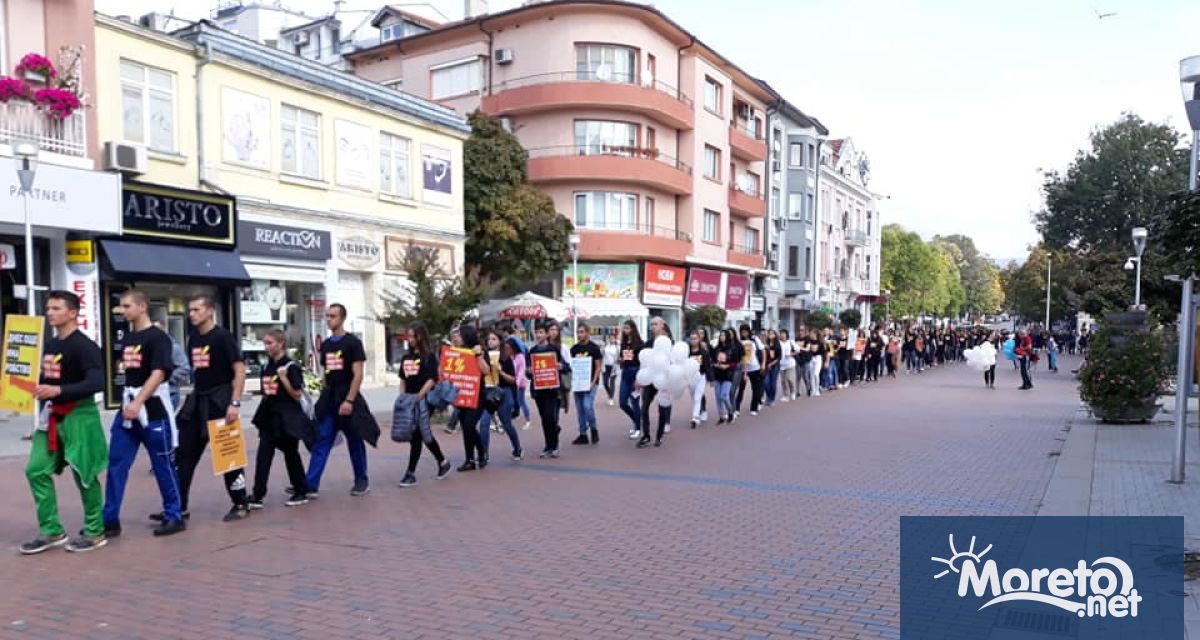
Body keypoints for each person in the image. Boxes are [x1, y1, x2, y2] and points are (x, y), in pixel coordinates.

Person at [21, 291, 109, 554]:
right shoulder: (51, 345)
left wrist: (58, 391)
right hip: (52, 415)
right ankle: (51, 531)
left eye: (56, 308)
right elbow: (48, 379)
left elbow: (97, 382)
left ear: (72, 313)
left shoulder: (84, 346)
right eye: (48, 308)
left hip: (80, 415)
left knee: (84, 473)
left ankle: (95, 531)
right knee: (35, 470)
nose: (50, 312)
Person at [102, 289, 186, 538]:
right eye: (121, 306)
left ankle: (174, 515)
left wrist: (138, 402)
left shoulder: (158, 338)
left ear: (142, 307)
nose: (123, 311)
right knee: (116, 464)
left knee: (163, 466)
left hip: (153, 410)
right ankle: (110, 519)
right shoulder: (129, 338)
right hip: (128, 410)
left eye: (127, 306)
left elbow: (159, 373)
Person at [170, 295, 251, 523]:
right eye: (190, 310)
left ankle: (240, 503)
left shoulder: (223, 337)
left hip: (220, 400)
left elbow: (240, 370)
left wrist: (235, 403)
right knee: (184, 453)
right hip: (197, 401)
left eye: (196, 310)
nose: (191, 314)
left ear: (210, 311)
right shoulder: (193, 338)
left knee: (228, 455)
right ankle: (179, 506)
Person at [305, 304, 379, 497]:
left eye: (333, 316)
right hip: (330, 400)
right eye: (327, 316)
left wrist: (349, 401)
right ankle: (310, 484)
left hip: (347, 399)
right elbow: (326, 373)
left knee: (355, 440)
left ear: (342, 318)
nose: (328, 319)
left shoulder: (353, 343)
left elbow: (358, 374)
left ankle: (361, 480)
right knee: (322, 439)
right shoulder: (326, 345)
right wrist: (322, 393)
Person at [248, 329, 314, 509]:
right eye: (265, 343)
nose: (266, 347)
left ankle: (300, 490)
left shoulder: (291, 367)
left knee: (291, 454)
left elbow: (296, 394)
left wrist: (284, 378)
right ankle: (258, 494)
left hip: (287, 419)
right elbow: (265, 392)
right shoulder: (267, 366)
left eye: (270, 343)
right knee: (263, 456)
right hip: (269, 418)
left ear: (281, 344)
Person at [397, 322, 453, 487]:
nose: (410, 339)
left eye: (413, 335)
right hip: (409, 399)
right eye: (408, 336)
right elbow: (403, 378)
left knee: (417, 435)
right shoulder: (406, 357)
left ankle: (410, 473)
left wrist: (419, 396)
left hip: (424, 400)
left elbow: (432, 379)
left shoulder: (429, 357)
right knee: (423, 434)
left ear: (420, 336)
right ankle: (442, 461)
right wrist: (402, 397)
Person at [478, 330, 523, 460]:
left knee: (506, 423)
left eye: (493, 339)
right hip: (489, 392)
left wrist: (501, 371)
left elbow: (513, 380)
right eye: (489, 339)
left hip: (504, 392)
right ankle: (484, 454)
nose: (490, 341)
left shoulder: (505, 357)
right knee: (484, 423)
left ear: (500, 341)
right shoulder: (484, 356)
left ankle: (517, 448)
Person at [454, 325, 492, 471]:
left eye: (459, 335)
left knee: (469, 426)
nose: (456, 337)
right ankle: (470, 459)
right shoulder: (457, 352)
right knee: (466, 427)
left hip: (477, 395)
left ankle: (481, 452)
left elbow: (486, 370)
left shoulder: (479, 351)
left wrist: (478, 356)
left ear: (467, 336)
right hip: (461, 395)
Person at [528, 322, 565, 457]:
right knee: (544, 418)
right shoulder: (532, 351)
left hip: (551, 390)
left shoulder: (554, 349)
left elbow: (564, 366)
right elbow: (529, 373)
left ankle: (554, 445)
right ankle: (548, 445)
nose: (538, 335)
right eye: (536, 332)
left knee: (550, 417)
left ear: (547, 334)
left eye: (541, 332)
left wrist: (560, 366)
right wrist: (529, 371)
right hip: (538, 390)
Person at [637, 316, 673, 448]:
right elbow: (644, 360)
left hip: (664, 379)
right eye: (651, 324)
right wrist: (639, 378)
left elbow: (674, 360)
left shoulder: (670, 342)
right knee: (644, 407)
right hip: (650, 378)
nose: (653, 327)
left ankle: (659, 436)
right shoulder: (649, 342)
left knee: (662, 408)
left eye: (655, 324)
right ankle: (646, 435)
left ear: (662, 325)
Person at [570, 323, 603, 446]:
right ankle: (583, 434)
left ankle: (594, 428)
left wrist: (593, 383)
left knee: (587, 405)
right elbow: (571, 365)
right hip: (578, 383)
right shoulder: (574, 349)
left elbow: (598, 367)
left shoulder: (594, 348)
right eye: (578, 332)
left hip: (590, 383)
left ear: (588, 333)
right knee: (580, 409)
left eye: (582, 332)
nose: (579, 334)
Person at [153, 319, 189, 411]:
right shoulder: (151, 348)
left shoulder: (174, 348)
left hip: (170, 393)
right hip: (153, 394)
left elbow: (184, 368)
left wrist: (166, 378)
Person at [618, 320, 644, 440]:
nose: (625, 331)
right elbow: (622, 358)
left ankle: (638, 428)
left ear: (633, 329)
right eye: (624, 328)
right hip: (625, 372)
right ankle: (637, 420)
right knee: (622, 402)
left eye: (627, 328)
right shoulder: (623, 343)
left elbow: (642, 362)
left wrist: (639, 378)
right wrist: (620, 360)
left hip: (635, 372)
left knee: (634, 402)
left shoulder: (639, 344)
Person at [737, 325, 764, 415]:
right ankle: (736, 408)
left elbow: (763, 350)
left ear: (749, 332)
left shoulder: (755, 340)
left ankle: (754, 408)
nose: (744, 334)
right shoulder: (739, 342)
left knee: (756, 388)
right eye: (742, 332)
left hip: (755, 367)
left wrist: (763, 363)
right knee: (740, 389)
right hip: (743, 369)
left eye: (746, 331)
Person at [687, 331, 711, 429]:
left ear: (699, 339)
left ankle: (695, 418)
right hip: (690, 378)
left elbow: (708, 366)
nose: (693, 340)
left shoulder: (704, 352)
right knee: (694, 397)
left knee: (697, 397)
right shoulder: (687, 352)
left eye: (695, 338)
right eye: (691, 338)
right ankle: (702, 411)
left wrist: (711, 379)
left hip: (701, 377)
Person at [712, 330, 736, 424]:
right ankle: (721, 416)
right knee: (718, 397)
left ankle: (730, 412)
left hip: (728, 375)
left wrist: (727, 366)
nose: (722, 337)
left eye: (724, 335)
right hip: (717, 375)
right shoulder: (717, 348)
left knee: (724, 396)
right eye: (720, 335)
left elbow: (735, 363)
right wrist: (715, 364)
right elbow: (712, 360)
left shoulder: (732, 348)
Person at [762, 330, 781, 407]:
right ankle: (768, 396)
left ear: (775, 335)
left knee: (773, 383)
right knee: (766, 383)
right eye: (769, 334)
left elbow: (779, 357)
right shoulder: (766, 344)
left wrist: (771, 364)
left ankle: (771, 399)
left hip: (775, 366)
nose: (770, 335)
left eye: (772, 334)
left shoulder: (777, 344)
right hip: (766, 366)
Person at [778, 329, 797, 401]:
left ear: (786, 335)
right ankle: (785, 395)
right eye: (781, 334)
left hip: (790, 364)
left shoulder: (790, 342)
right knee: (783, 381)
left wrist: (791, 354)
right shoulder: (778, 343)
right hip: (781, 364)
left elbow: (798, 350)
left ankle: (793, 392)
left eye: (784, 334)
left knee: (789, 379)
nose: (782, 335)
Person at [602, 333, 618, 407]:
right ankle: (609, 394)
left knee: (612, 382)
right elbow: (602, 355)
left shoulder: (618, 347)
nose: (611, 339)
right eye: (610, 338)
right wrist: (602, 351)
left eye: (613, 338)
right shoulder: (606, 346)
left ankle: (611, 398)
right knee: (605, 383)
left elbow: (619, 356)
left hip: (614, 367)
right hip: (605, 366)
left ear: (615, 339)